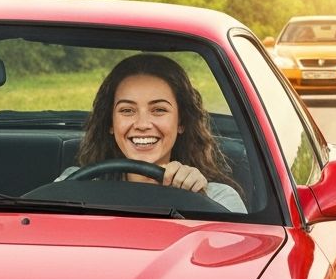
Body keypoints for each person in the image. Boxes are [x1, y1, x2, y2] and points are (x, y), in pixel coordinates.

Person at [57, 53, 247, 212]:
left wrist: (198, 201)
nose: (142, 124)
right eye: (127, 110)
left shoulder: (219, 198)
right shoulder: (75, 185)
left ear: (181, 122)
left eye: (159, 110)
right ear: (110, 123)